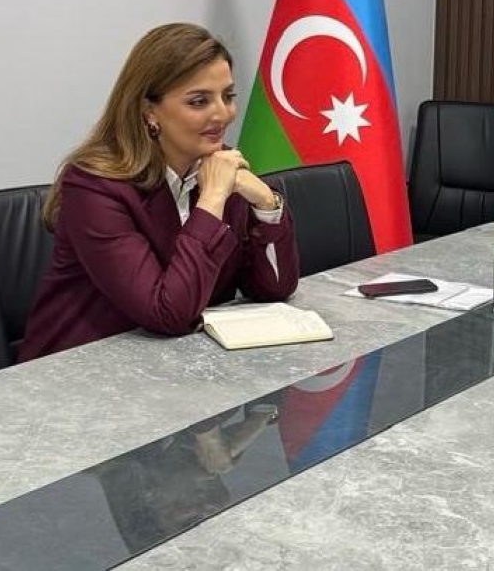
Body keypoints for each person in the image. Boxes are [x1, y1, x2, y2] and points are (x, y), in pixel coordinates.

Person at [19, 23, 300, 360]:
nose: (222, 114)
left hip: (177, 364)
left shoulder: (219, 165)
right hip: (78, 370)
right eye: (199, 101)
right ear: (149, 111)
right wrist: (212, 201)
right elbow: (168, 313)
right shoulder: (94, 186)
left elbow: (274, 289)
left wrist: (267, 204)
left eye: (227, 96)